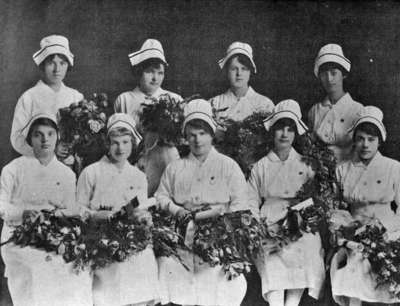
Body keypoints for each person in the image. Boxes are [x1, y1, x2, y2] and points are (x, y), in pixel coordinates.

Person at [155, 99, 248, 306]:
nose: (197, 140)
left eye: (203, 134)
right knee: (168, 267)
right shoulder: (175, 167)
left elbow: (241, 202)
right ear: (185, 137)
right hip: (181, 236)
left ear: (212, 135)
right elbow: (161, 196)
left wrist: (225, 228)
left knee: (218, 282)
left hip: (218, 238)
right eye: (192, 135)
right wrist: (177, 210)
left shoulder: (227, 166)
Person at [0, 113, 92, 306]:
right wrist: (23, 213)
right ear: (29, 139)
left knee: (76, 266)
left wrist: (60, 217)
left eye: (50, 134)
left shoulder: (66, 173)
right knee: (37, 267)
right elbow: (2, 205)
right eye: (38, 135)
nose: (45, 140)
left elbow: (69, 209)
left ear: (57, 137)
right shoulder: (13, 169)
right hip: (18, 235)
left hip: (55, 233)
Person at [248, 100, 325, 306]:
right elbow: (251, 202)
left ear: (296, 133)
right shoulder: (260, 167)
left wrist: (299, 220)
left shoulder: (306, 164)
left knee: (307, 247)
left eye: (290, 129)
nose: (284, 134)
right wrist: (258, 227)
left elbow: (314, 200)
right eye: (280, 128)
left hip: (298, 223)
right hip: (269, 221)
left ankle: (292, 303)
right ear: (272, 131)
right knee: (271, 255)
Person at [76, 113, 159, 306]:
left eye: (125, 142)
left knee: (143, 257)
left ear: (133, 144)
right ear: (107, 143)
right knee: (113, 268)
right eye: (115, 142)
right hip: (98, 233)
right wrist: (96, 215)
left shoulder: (138, 176)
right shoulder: (91, 172)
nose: (120, 148)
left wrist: (141, 218)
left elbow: (140, 207)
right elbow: (78, 208)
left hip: (129, 234)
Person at [331, 106, 400, 306]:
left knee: (383, 276)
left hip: (387, 231)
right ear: (354, 139)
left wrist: (384, 227)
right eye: (360, 138)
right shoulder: (342, 169)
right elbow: (336, 207)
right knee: (353, 271)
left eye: (371, 139)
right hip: (353, 232)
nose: (365, 145)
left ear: (380, 141)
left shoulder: (393, 168)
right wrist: (342, 227)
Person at [114, 38, 182, 196]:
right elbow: (118, 136)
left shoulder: (174, 99)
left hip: (167, 161)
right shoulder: (125, 99)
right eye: (150, 71)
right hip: (136, 162)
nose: (155, 78)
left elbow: (181, 140)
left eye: (160, 73)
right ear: (139, 71)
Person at [10, 35, 83, 157]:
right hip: (36, 165)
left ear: (68, 65)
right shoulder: (29, 97)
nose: (57, 69)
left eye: (62, 63)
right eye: (51, 63)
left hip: (69, 165)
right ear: (42, 65)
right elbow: (17, 138)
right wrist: (46, 152)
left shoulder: (76, 97)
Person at [308, 43, 363, 162]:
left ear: (343, 75)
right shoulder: (315, 111)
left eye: (333, 73)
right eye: (324, 74)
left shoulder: (358, 111)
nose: (329, 79)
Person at [210, 41, 274, 122]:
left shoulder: (264, 104)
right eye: (233, 69)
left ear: (250, 72)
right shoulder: (214, 103)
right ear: (227, 72)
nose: (239, 73)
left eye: (244, 69)